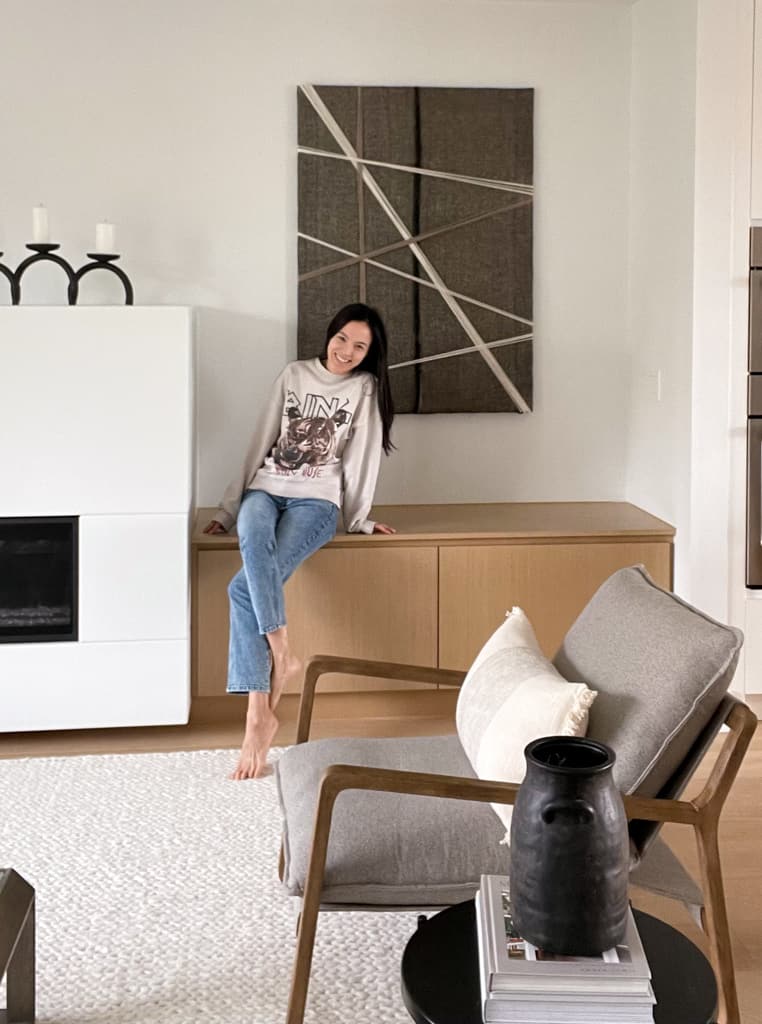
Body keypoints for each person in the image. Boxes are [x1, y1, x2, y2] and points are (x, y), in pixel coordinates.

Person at [203, 303, 396, 780]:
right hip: (266, 488)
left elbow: (364, 454)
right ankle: (281, 654)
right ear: (329, 334)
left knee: (240, 589)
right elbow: (260, 438)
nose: (347, 351)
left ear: (369, 354)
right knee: (250, 532)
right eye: (343, 338)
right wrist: (229, 509)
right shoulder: (294, 375)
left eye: (360, 346)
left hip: (316, 501)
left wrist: (359, 518)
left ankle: (257, 714)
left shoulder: (363, 388)